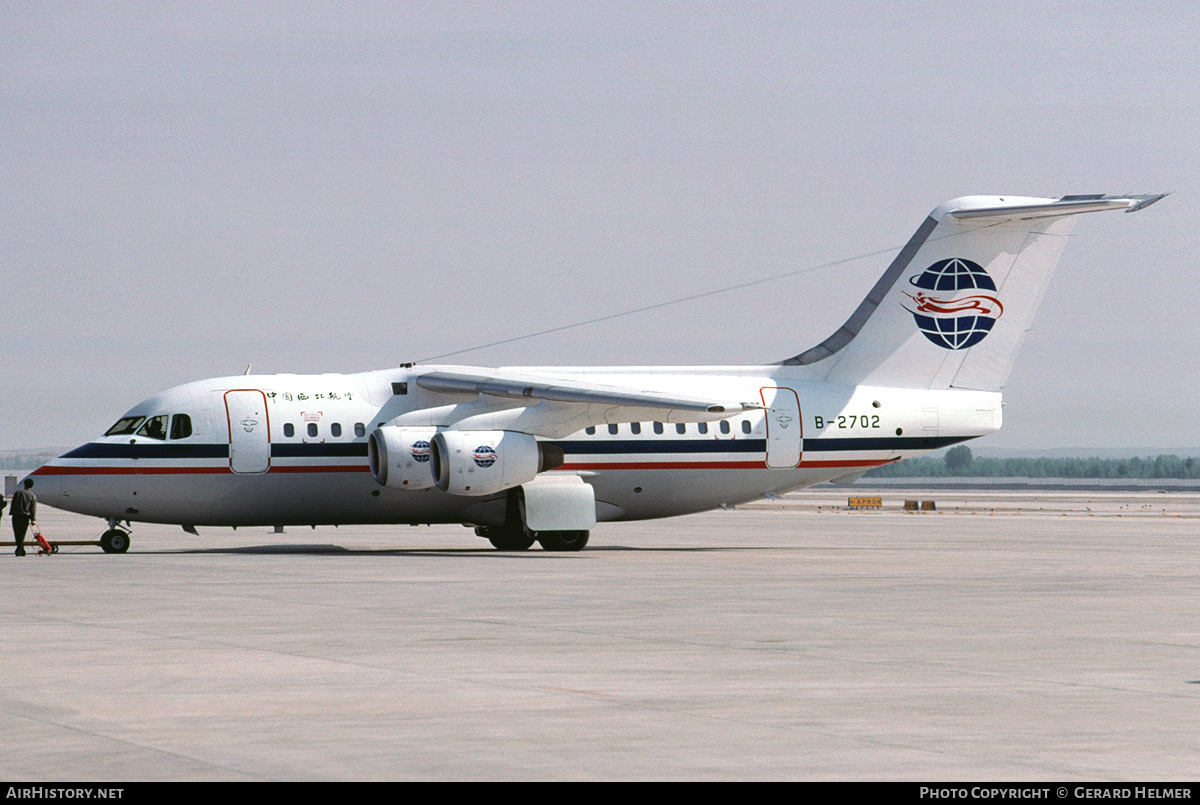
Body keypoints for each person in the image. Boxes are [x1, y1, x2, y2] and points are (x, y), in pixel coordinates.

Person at [10, 479, 36, 557]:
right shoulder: (32, 495)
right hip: (25, 517)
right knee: (22, 533)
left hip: (16, 515)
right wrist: (33, 519)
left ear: (24, 484)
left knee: (17, 533)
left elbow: (13, 503)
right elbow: (33, 508)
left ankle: (19, 549)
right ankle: (20, 549)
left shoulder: (18, 492)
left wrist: (11, 512)